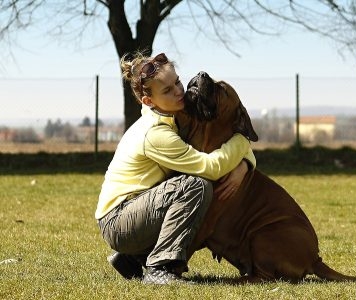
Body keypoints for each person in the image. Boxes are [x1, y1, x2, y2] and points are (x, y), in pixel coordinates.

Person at [95, 52, 255, 285]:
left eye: (177, 82)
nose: (179, 91)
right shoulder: (155, 133)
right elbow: (210, 168)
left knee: (189, 184)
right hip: (119, 220)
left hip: (134, 211)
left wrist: (245, 163)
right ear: (148, 101)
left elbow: (217, 139)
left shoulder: (171, 113)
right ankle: (159, 267)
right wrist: (243, 140)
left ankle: (132, 258)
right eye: (167, 91)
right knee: (195, 186)